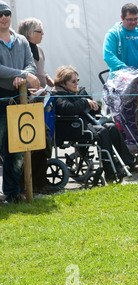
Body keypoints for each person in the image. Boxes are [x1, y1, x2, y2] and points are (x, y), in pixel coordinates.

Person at [52, 66, 137, 183]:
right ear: (63, 83)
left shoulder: (81, 92)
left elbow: (93, 111)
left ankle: (127, 162)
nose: (77, 83)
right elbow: (68, 109)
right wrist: (84, 102)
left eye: (77, 80)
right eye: (73, 81)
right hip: (72, 127)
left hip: (87, 124)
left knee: (111, 127)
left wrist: (94, 106)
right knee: (102, 131)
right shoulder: (58, 95)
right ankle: (110, 171)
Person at [0, 1, 40, 204]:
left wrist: (25, 76)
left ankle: (12, 193)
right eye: (0, 14)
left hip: (18, 98)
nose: (3, 17)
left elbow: (30, 65)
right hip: (0, 98)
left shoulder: (22, 40)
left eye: (6, 13)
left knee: (15, 149)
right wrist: (22, 74)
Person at [17, 18, 55, 194]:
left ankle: (40, 182)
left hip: (39, 104)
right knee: (27, 146)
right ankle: (25, 185)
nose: (43, 34)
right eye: (39, 31)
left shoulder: (39, 50)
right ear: (29, 34)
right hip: (25, 105)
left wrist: (46, 77)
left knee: (44, 143)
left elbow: (38, 70)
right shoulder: (20, 51)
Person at [103, 3, 138, 73]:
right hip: (121, 78)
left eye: (136, 19)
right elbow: (108, 56)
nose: (133, 22)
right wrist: (126, 69)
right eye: (130, 19)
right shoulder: (113, 34)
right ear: (122, 18)